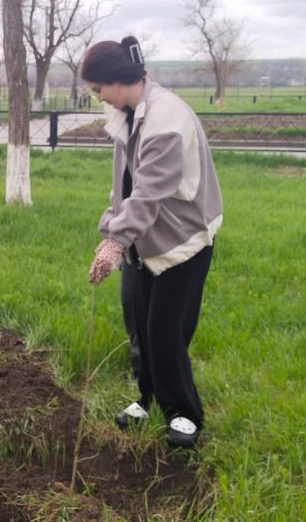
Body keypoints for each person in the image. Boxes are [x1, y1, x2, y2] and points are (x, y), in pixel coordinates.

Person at [83, 36, 222, 448]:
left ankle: (184, 413)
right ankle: (147, 397)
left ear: (116, 80)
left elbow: (150, 193)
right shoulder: (130, 113)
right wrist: (114, 232)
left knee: (166, 330)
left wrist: (115, 242)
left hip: (181, 241)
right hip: (143, 240)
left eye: (97, 89)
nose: (98, 97)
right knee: (138, 322)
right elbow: (124, 186)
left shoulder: (166, 120)